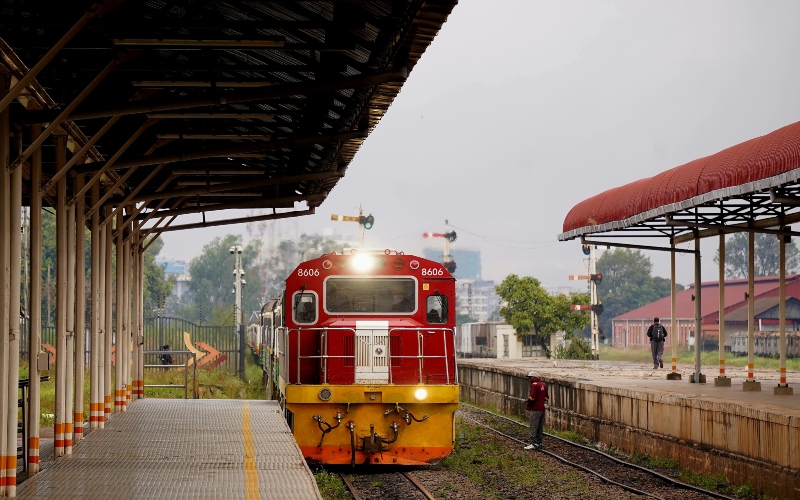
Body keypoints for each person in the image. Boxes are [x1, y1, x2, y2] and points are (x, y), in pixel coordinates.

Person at [524, 370, 548, 450]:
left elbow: (532, 397)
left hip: (535, 409)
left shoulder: (534, 385)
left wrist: (528, 404)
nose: (529, 379)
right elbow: (546, 397)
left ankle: (533, 443)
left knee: (533, 426)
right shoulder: (543, 384)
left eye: (530, 377)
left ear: (534, 378)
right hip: (542, 409)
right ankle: (539, 442)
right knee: (540, 427)